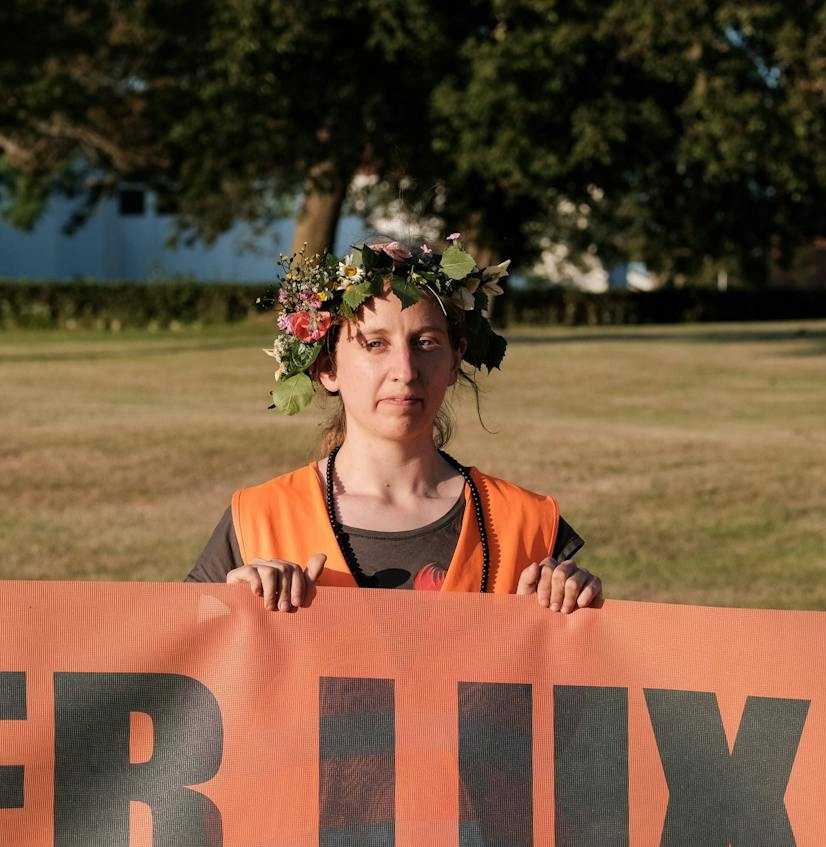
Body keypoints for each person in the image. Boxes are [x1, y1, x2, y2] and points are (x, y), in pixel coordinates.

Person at [187, 236, 602, 612]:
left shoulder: (526, 524)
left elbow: (580, 681)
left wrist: (577, 610)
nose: (405, 369)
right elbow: (180, 662)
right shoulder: (260, 519)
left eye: (425, 343)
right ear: (327, 367)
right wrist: (231, 606)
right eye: (375, 344)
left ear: (456, 359)